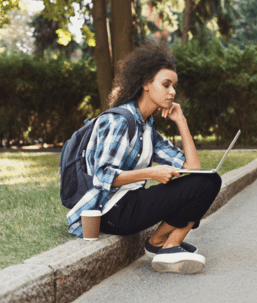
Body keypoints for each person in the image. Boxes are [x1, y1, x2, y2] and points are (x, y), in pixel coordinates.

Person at [66, 40, 222, 274]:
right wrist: (151, 173)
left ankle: (162, 243)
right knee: (204, 183)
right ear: (147, 84)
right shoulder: (119, 121)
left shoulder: (147, 129)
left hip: (130, 204)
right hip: (108, 211)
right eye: (166, 84)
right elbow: (102, 176)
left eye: (174, 86)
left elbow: (193, 169)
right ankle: (167, 247)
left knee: (210, 180)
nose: (173, 92)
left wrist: (181, 121)